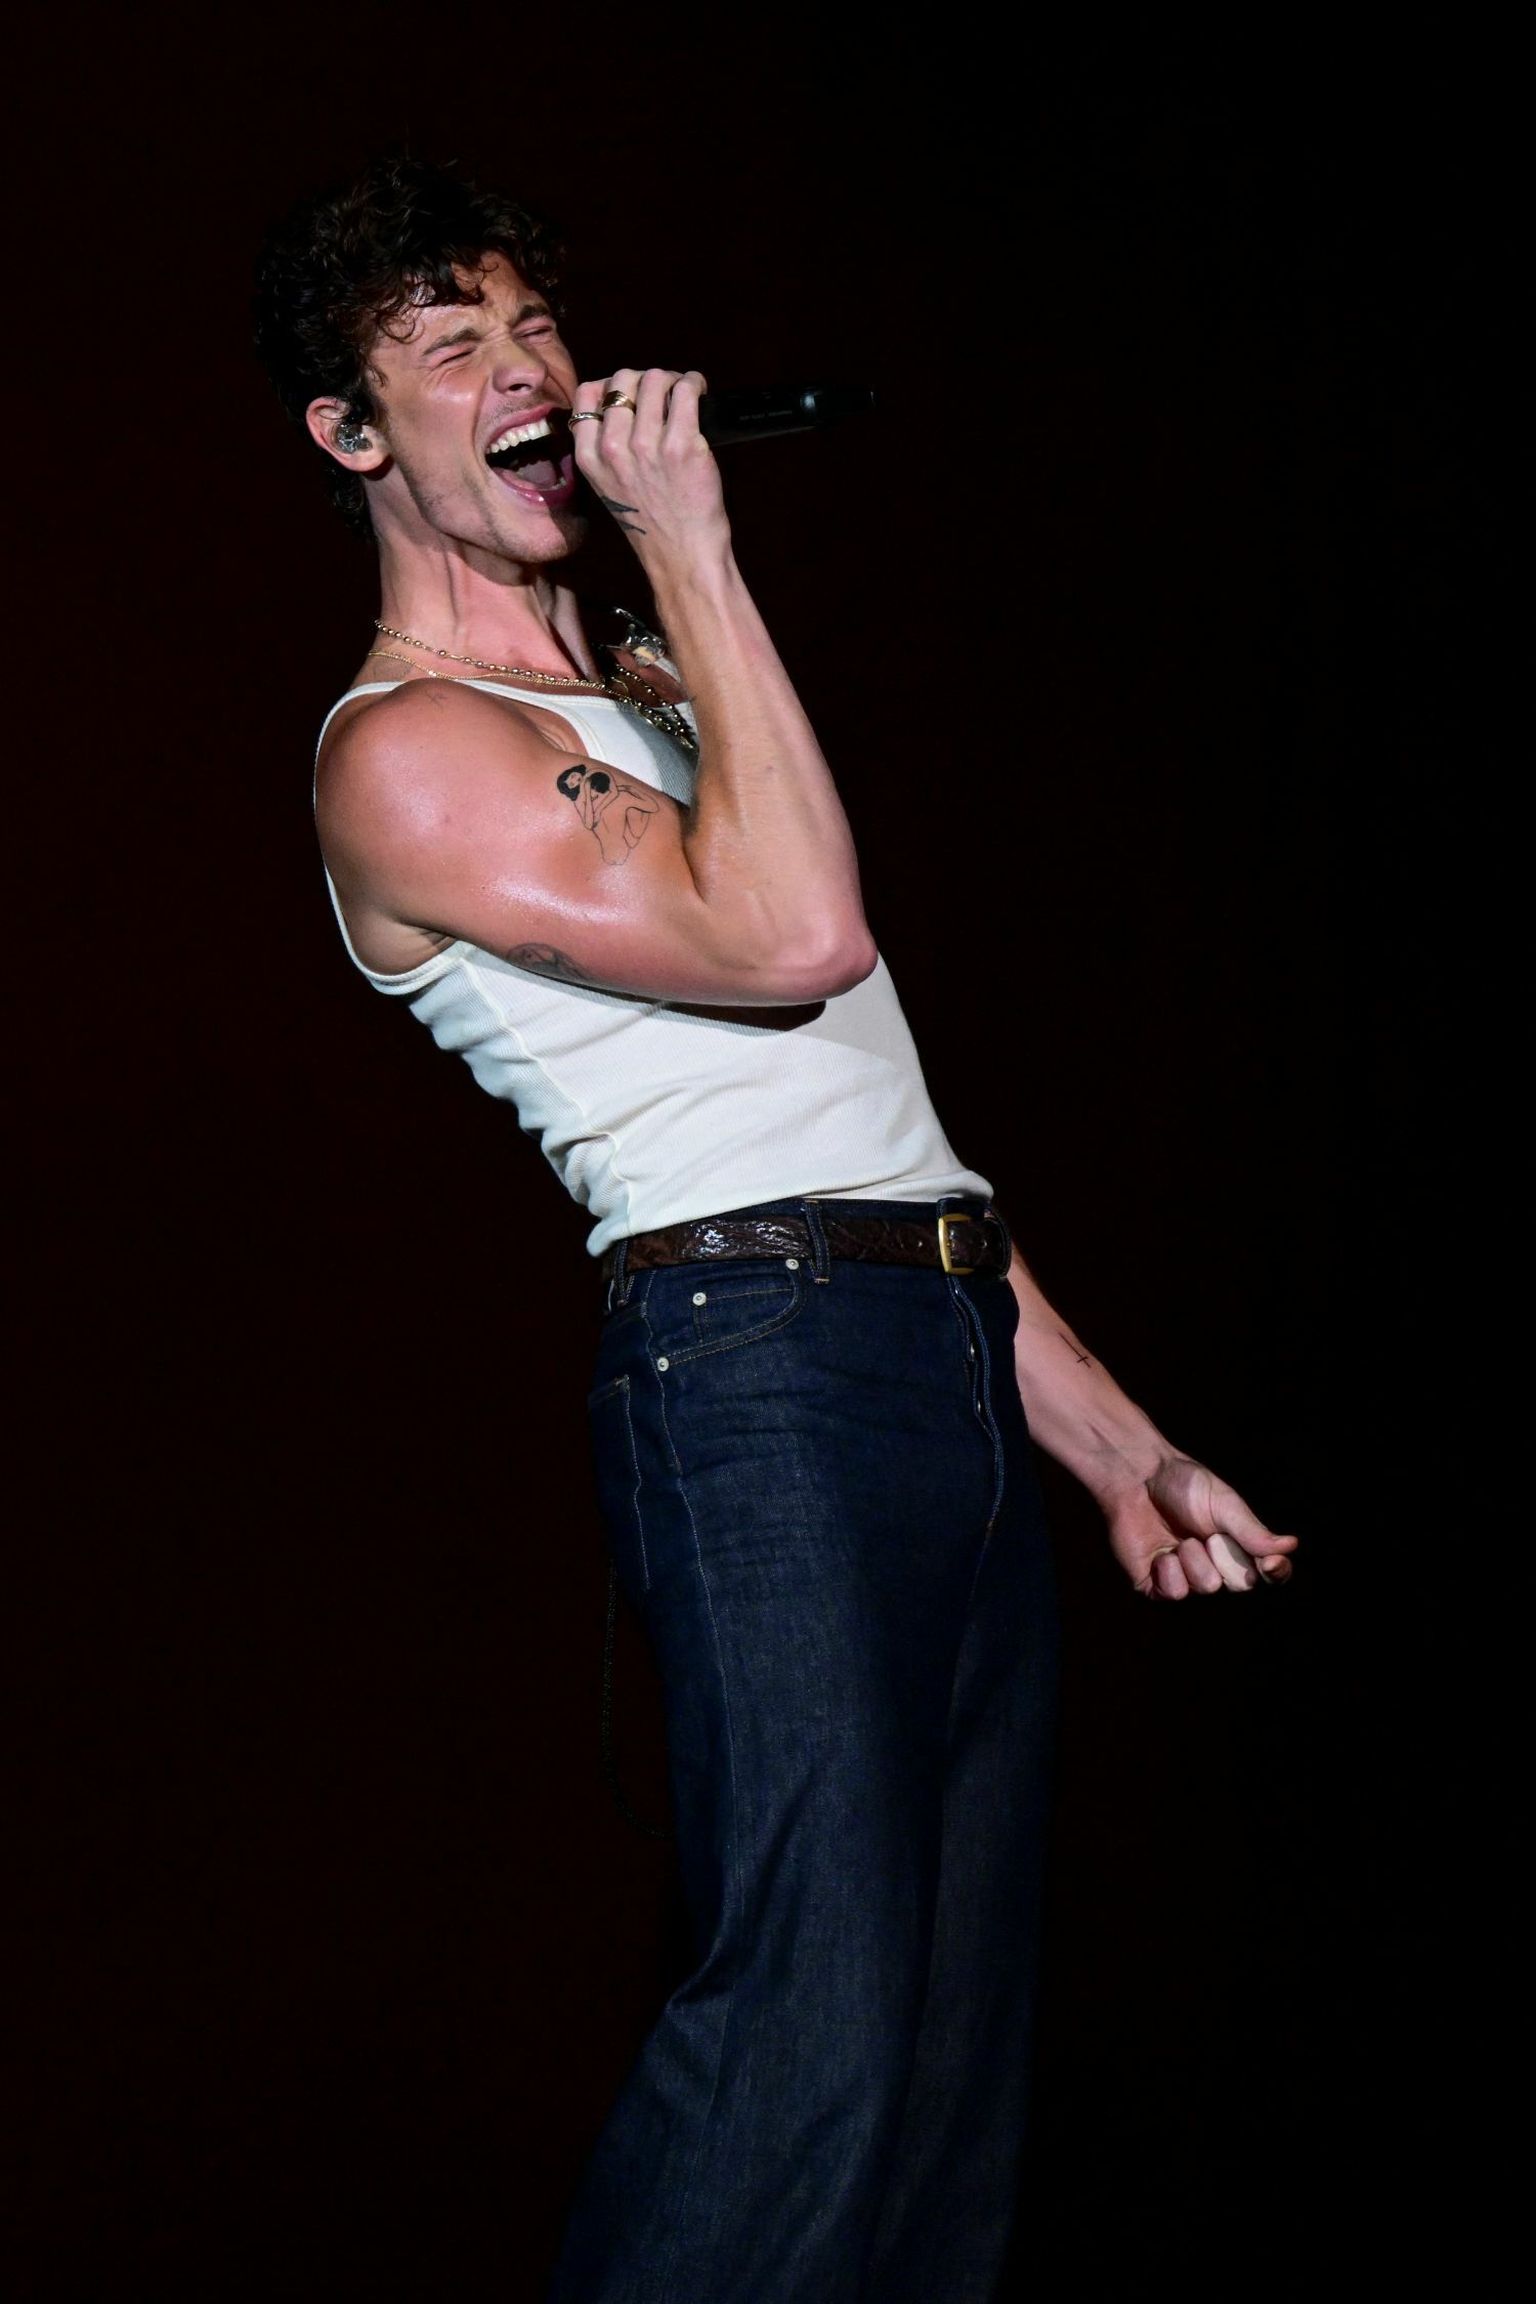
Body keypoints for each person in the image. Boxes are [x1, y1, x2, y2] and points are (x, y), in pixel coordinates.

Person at [254, 154, 1297, 2304]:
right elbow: (798, 935)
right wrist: (700, 547)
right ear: (351, 434)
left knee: (939, 2069)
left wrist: (1115, 1446)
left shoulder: (648, 683)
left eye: (537, 327)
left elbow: (877, 1137)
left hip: (924, 1344)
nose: (529, 372)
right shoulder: (410, 750)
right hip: (760, 1374)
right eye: (452, 349)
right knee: (810, 2030)